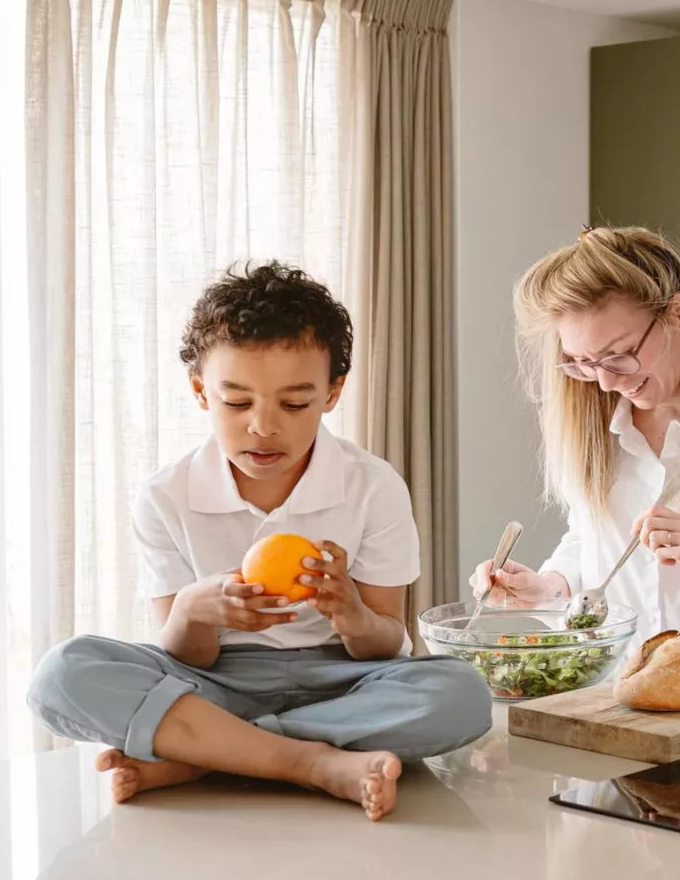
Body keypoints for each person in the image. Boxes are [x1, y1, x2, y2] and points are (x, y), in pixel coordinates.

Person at [27, 262, 492, 821]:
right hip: (214, 680)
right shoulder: (165, 496)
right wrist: (196, 613)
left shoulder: (373, 486)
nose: (264, 426)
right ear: (201, 391)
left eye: (295, 404)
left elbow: (384, 642)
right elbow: (183, 652)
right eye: (238, 402)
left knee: (462, 693)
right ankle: (309, 763)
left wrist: (349, 612)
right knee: (62, 673)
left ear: (332, 392)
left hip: (341, 683)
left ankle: (207, 755)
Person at [471, 227, 680, 646]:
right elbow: (590, 536)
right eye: (581, 363)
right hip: (620, 680)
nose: (603, 383)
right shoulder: (596, 423)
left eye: (619, 355)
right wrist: (549, 588)